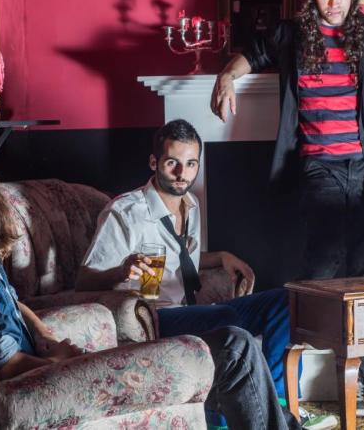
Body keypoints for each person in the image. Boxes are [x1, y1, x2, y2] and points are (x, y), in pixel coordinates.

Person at [0, 158, 301, 430]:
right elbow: (5, 365)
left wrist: (46, 335)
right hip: (48, 381)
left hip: (58, 364)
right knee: (234, 345)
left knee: (244, 338)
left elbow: (14, 305)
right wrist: (57, 363)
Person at [210, 0, 364, 415]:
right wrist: (226, 76)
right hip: (318, 168)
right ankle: (288, 387)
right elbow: (250, 54)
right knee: (320, 277)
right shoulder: (291, 35)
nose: (334, 2)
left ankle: (359, 382)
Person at [76, 120, 337, 430]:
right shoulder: (125, 212)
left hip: (189, 310)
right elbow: (84, 280)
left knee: (286, 301)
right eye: (172, 163)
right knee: (226, 318)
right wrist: (122, 270)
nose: (181, 173)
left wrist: (220, 257)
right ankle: (242, 417)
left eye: (191, 164)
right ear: (154, 162)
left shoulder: (191, 204)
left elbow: (181, 259)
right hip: (154, 317)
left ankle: (279, 405)